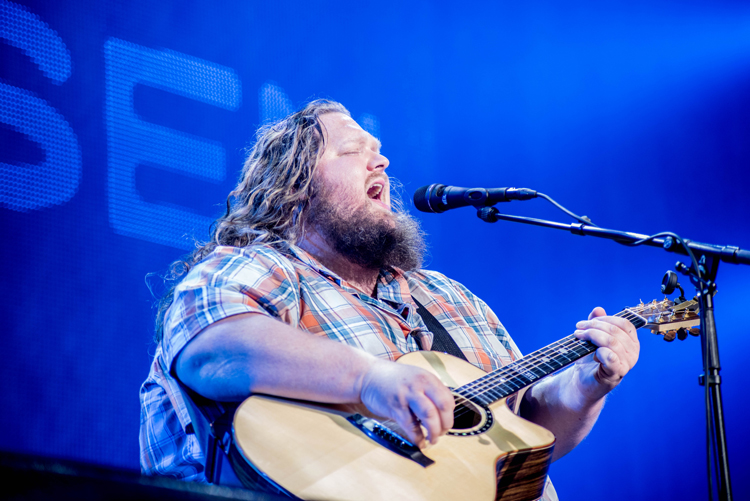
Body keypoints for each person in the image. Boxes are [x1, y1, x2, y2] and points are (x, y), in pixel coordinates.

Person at [139, 100, 640, 500]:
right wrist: (370, 380)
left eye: (378, 149)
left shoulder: (448, 296)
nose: (382, 160)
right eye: (353, 150)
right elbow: (214, 345)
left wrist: (586, 384)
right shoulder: (259, 266)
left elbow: (523, 434)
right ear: (294, 186)